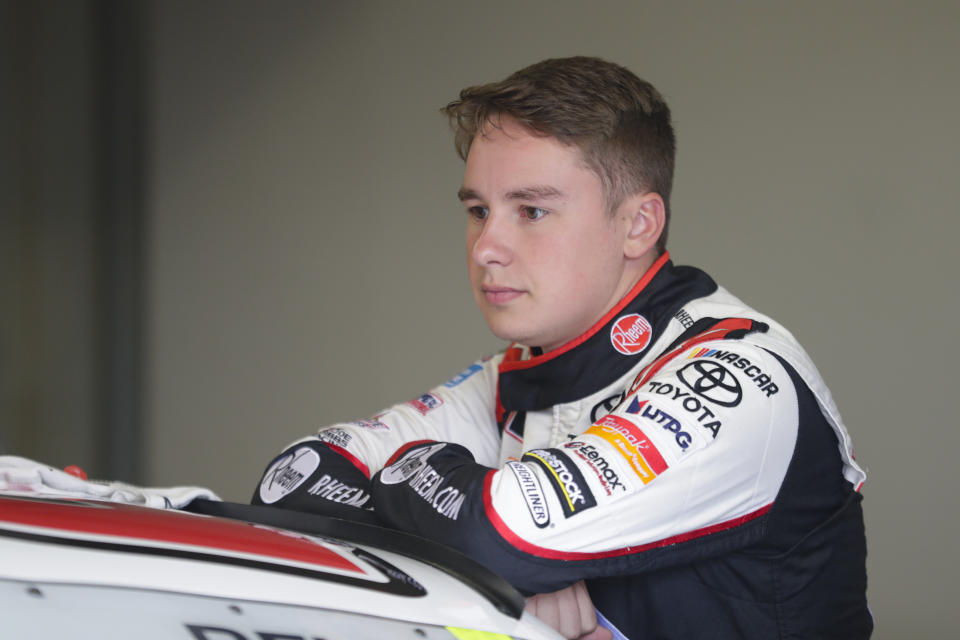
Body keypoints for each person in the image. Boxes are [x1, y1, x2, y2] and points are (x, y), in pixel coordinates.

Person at [252, 57, 872, 639]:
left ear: (638, 225)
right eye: (477, 209)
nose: (485, 246)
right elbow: (291, 483)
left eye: (532, 211)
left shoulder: (738, 372)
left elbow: (502, 535)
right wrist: (492, 563)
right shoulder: (522, 371)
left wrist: (473, 533)